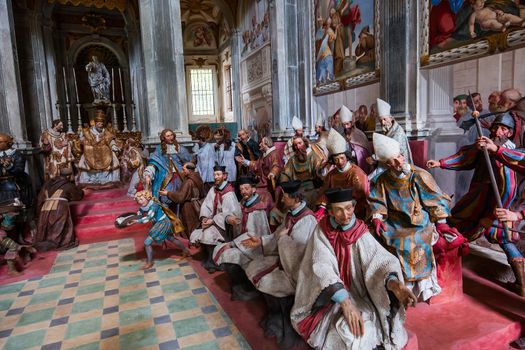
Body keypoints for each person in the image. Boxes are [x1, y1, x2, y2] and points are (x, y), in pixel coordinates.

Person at [291, 188, 417, 349]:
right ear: (329, 212)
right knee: (344, 333)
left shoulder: (359, 232)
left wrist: (396, 285)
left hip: (361, 295)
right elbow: (321, 266)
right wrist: (345, 302)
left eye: (349, 208)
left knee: (360, 332)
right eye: (339, 210)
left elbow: (379, 262)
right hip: (331, 296)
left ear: (354, 206)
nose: (345, 215)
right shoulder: (321, 231)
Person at [427, 113, 525, 295]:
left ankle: (522, 284)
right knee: (456, 224)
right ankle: (442, 265)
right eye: (496, 127)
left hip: (499, 203)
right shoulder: (482, 146)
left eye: (503, 129)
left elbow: (512, 178)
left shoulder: (512, 152)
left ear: (509, 133)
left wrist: (495, 149)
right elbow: (465, 157)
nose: (497, 131)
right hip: (478, 197)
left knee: (504, 238)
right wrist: (441, 163)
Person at [370, 133, 465, 302]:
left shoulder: (419, 175)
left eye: (399, 156)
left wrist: (442, 223)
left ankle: (418, 289)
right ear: (386, 164)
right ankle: (393, 285)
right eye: (393, 160)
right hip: (394, 221)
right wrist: (377, 217)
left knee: (410, 242)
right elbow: (378, 200)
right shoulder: (382, 180)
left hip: (418, 223)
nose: (399, 162)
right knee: (376, 236)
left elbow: (435, 200)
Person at [242, 180, 317, 348]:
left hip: (298, 272)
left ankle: (287, 327)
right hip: (285, 262)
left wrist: (283, 239)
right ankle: (275, 317)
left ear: (294, 198)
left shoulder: (307, 220)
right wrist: (261, 241)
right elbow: (278, 234)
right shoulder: (292, 213)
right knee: (254, 268)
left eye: (284, 197)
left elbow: (298, 253)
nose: (281, 200)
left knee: (267, 281)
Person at [212, 175, 271, 300]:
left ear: (253, 190)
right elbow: (233, 213)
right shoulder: (243, 203)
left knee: (230, 256)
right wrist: (229, 219)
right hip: (241, 243)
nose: (243, 191)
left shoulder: (257, 209)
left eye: (246, 188)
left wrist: (233, 243)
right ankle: (238, 285)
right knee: (224, 251)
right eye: (241, 189)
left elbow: (253, 234)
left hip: (253, 246)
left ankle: (245, 287)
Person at [190, 165, 241, 272]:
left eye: (218, 175)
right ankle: (210, 258)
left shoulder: (229, 193)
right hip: (212, 222)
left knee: (208, 234)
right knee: (202, 233)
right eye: (214, 175)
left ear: (225, 176)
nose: (216, 177)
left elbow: (230, 214)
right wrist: (204, 217)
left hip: (224, 226)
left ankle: (216, 262)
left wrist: (213, 221)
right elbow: (206, 204)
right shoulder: (213, 189)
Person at [315, 129, 370, 221]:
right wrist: (322, 207)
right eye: (336, 160)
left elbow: (361, 199)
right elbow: (324, 192)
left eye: (342, 158)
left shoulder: (356, 174)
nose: (339, 162)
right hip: (333, 211)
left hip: (353, 212)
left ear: (347, 157)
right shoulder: (331, 175)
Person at [129, 191, 190, 270]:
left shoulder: (154, 205)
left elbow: (149, 217)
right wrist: (129, 219)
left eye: (141, 199)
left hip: (163, 223)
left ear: (147, 197)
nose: (140, 202)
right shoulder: (144, 206)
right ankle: (186, 251)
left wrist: (137, 221)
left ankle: (150, 262)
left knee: (147, 243)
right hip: (160, 223)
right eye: (138, 200)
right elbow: (139, 214)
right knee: (170, 238)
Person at [34, 168, 84, 252]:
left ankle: (46, 242)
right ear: (68, 176)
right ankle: (56, 242)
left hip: (45, 207)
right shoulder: (68, 185)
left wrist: (38, 212)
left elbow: (40, 198)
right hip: (59, 207)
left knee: (45, 225)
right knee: (59, 226)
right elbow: (78, 195)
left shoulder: (47, 184)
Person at [368, 98, 414, 181]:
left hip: (397, 165)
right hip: (385, 164)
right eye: (380, 120)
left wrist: (374, 157)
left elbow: (390, 152)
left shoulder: (398, 132)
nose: (382, 123)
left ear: (391, 118)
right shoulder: (386, 130)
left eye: (385, 119)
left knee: (372, 181)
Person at [144, 129, 192, 205]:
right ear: (164, 138)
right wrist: (148, 175)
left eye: (171, 135)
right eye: (168, 136)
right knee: (165, 198)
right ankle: (166, 215)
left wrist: (186, 167)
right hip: (166, 177)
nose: (170, 137)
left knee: (181, 197)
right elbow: (153, 163)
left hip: (180, 176)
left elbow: (189, 161)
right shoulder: (159, 150)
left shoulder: (180, 148)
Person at [159, 162, 205, 239]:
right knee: (195, 224)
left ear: (189, 170)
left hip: (189, 206)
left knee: (189, 225)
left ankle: (192, 241)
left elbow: (180, 197)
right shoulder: (198, 177)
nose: (182, 171)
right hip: (197, 204)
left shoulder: (189, 182)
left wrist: (167, 193)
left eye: (184, 170)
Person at [77, 110, 120, 187]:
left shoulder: (106, 132)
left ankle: (108, 179)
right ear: (95, 123)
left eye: (102, 124)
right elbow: (82, 140)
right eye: (99, 123)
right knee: (84, 159)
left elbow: (111, 140)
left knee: (114, 159)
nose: (100, 125)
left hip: (105, 152)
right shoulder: (88, 132)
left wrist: (113, 146)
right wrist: (84, 141)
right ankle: (90, 179)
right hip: (91, 151)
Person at [238, 136, 282, 209]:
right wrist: (246, 162)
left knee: (257, 193)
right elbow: (257, 165)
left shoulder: (274, 154)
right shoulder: (264, 155)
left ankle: (258, 209)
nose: (259, 145)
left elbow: (276, 166)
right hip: (262, 182)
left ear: (266, 144)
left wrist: (272, 173)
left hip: (268, 184)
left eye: (261, 143)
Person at [281, 136, 323, 208]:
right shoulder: (292, 160)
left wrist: (318, 171)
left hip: (310, 187)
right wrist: (284, 181)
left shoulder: (313, 156)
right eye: (295, 145)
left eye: (300, 143)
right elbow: (285, 173)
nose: (298, 147)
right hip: (296, 188)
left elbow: (318, 169)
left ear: (305, 144)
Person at [338, 105, 373, 174]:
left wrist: (354, 153)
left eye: (347, 124)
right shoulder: (342, 135)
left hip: (357, 162)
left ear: (351, 123)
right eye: (343, 124)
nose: (345, 127)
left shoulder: (359, 134)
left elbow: (364, 150)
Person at [0, 133, 32, 207]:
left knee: (9, 188)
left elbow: (19, 170)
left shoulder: (17, 155)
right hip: (1, 182)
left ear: (8, 143)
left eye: (0, 142)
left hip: (13, 181)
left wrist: (8, 166)